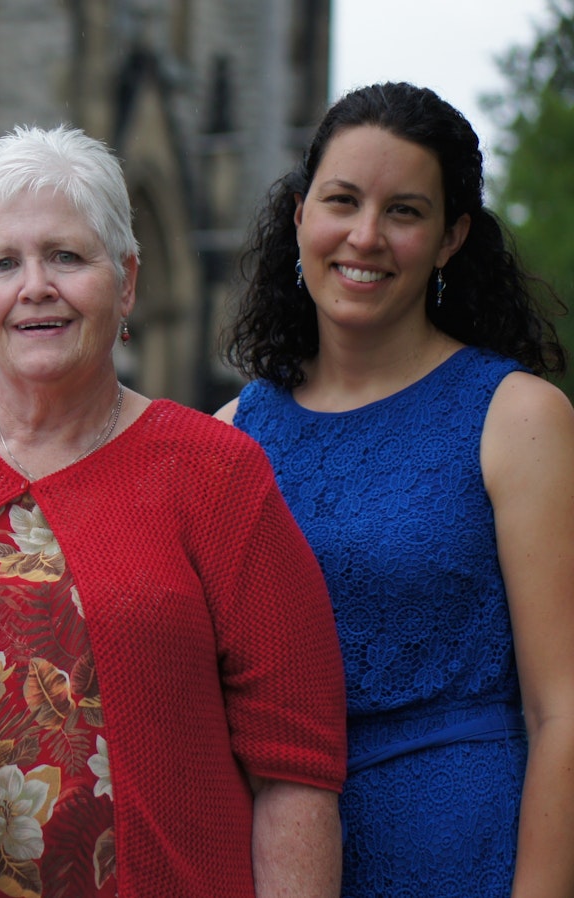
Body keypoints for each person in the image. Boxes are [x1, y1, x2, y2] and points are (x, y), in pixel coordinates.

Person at [0, 124, 347, 897]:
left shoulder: (218, 475)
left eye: (67, 256)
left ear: (128, 282)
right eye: (3, 264)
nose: (34, 286)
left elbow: (296, 772)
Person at [218, 82, 574, 897]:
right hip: (278, 858)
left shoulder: (517, 418)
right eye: (342, 201)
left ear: (451, 238)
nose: (366, 237)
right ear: (301, 214)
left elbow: (565, 713)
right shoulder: (235, 432)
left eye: (405, 212)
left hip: (467, 853)